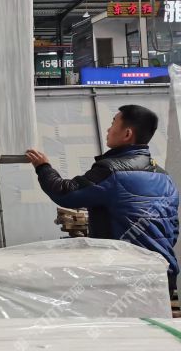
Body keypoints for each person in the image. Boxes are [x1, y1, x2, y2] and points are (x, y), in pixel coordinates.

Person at [26, 104, 179, 295]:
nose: (108, 129)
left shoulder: (112, 170)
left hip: (126, 276)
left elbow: (65, 193)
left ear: (127, 134)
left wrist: (43, 167)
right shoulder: (164, 177)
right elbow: (172, 229)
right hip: (162, 273)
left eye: (113, 123)